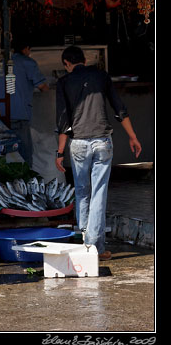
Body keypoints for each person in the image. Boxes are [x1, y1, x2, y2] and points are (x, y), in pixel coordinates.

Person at [55, 45, 142, 260]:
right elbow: (119, 108)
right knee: (99, 193)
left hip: (78, 144)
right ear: (84, 60)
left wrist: (59, 152)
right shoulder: (101, 76)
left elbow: (63, 121)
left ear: (67, 63)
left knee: (83, 192)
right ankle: (96, 247)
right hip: (102, 141)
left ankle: (89, 245)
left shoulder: (64, 82)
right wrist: (133, 136)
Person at [0, 37, 49, 165]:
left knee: (4, 154)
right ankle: (25, 181)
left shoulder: (2, 63)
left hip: (1, 114)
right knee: (25, 154)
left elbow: (10, 85)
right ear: (26, 49)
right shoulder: (28, 62)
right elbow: (43, 88)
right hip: (19, 115)